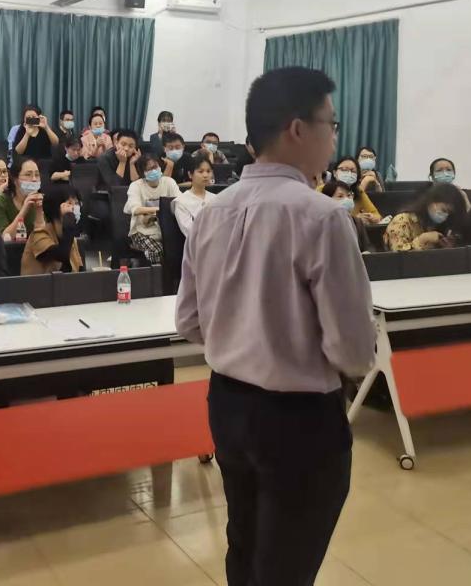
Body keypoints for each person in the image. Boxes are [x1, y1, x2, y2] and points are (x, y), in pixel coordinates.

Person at [176, 66, 375, 586]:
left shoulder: (210, 213)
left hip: (227, 403)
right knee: (286, 564)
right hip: (298, 419)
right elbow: (354, 350)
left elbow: (189, 321)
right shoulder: (322, 217)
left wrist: (241, 336)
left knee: (244, 546)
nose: (335, 139)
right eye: (332, 125)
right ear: (298, 129)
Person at [125, 155, 181, 264]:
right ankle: (151, 271)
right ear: (142, 173)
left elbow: (180, 202)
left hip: (166, 230)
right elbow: (135, 209)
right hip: (142, 231)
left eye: (155, 167)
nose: (154, 171)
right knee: (157, 251)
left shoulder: (169, 182)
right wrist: (161, 209)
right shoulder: (135, 186)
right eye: (149, 169)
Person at [384, 182, 470, 251]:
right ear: (430, 201)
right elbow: (397, 255)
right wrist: (422, 240)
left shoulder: (441, 226)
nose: (445, 215)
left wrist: (446, 248)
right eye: (443, 210)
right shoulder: (402, 220)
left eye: (449, 213)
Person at [21, 187, 84, 275]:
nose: (74, 208)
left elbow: (80, 271)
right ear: (56, 208)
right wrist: (69, 219)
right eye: (69, 203)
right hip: (40, 283)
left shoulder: (70, 237)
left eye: (76, 203)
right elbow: (62, 255)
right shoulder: (39, 235)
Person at [0, 155, 43, 240]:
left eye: (37, 175)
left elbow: (42, 238)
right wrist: (24, 209)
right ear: (15, 179)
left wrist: (39, 211)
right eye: (28, 175)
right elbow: (5, 238)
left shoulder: (42, 200)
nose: (34, 179)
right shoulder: (0, 201)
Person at [324, 156, 381, 224]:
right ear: (334, 173)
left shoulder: (359, 192)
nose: (348, 173)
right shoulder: (322, 189)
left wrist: (371, 217)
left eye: (353, 171)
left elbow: (377, 215)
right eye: (344, 169)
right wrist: (355, 219)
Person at [320, 180, 372, 252]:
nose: (346, 199)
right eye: (340, 196)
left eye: (349, 195)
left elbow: (366, 247)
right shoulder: (321, 224)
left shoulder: (357, 222)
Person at [172, 155, 213, 236]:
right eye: (200, 171)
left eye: (208, 171)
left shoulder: (216, 198)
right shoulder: (181, 201)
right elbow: (190, 232)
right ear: (190, 174)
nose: (205, 175)